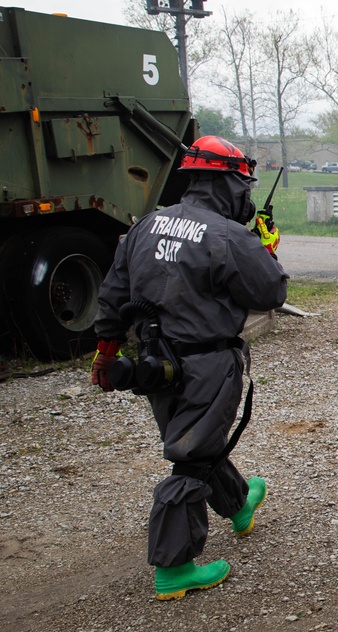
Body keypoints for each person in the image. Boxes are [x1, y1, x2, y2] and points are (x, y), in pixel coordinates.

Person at [90, 136, 288, 601]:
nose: (247, 193)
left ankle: (239, 506)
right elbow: (271, 292)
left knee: (194, 438)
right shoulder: (227, 235)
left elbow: (114, 293)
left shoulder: (146, 226)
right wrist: (268, 247)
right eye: (243, 184)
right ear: (227, 183)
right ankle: (174, 565)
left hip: (155, 364)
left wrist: (106, 350)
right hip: (207, 362)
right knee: (193, 457)